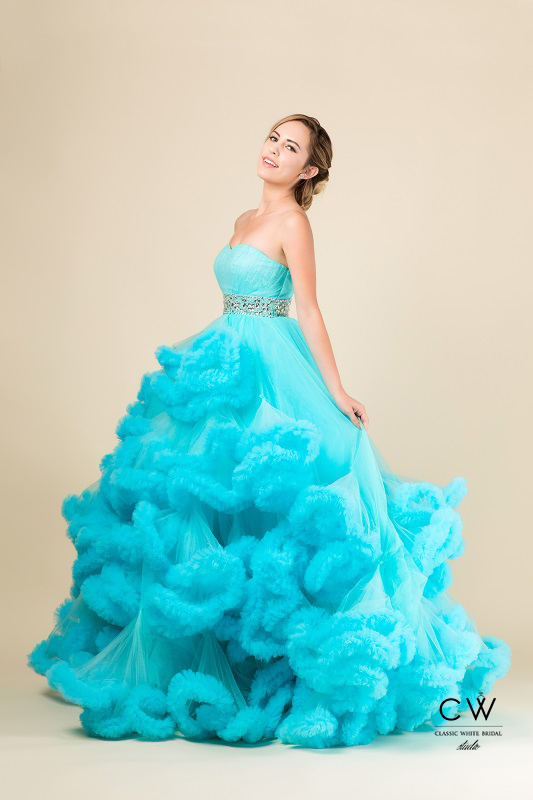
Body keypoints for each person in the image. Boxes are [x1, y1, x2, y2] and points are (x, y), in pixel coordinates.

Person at [27, 114, 511, 748]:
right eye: (273, 139)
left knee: (274, 487)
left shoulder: (293, 223)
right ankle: (222, 648)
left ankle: (279, 655)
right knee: (207, 492)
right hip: (226, 356)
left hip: (272, 361)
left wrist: (337, 390)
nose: (275, 151)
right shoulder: (243, 219)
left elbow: (307, 307)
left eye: (292, 147)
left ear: (310, 169)